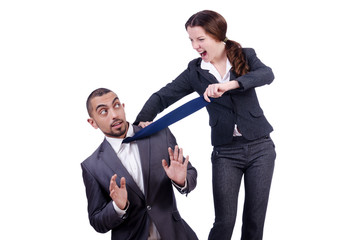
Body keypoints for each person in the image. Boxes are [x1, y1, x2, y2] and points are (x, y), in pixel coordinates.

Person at [134, 10, 276, 240]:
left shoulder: (245, 55)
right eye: (191, 40)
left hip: (261, 147)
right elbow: (163, 96)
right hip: (226, 152)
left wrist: (230, 85)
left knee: (254, 219)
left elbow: (267, 75)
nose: (195, 46)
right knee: (224, 221)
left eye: (200, 39)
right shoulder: (195, 72)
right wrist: (141, 122)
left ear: (218, 36)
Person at [81, 88, 198, 240]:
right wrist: (118, 206)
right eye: (103, 111)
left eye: (116, 106)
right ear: (92, 122)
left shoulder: (159, 134)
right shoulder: (92, 166)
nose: (114, 115)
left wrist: (181, 180)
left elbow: (190, 174)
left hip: (175, 234)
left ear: (123, 106)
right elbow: (97, 221)